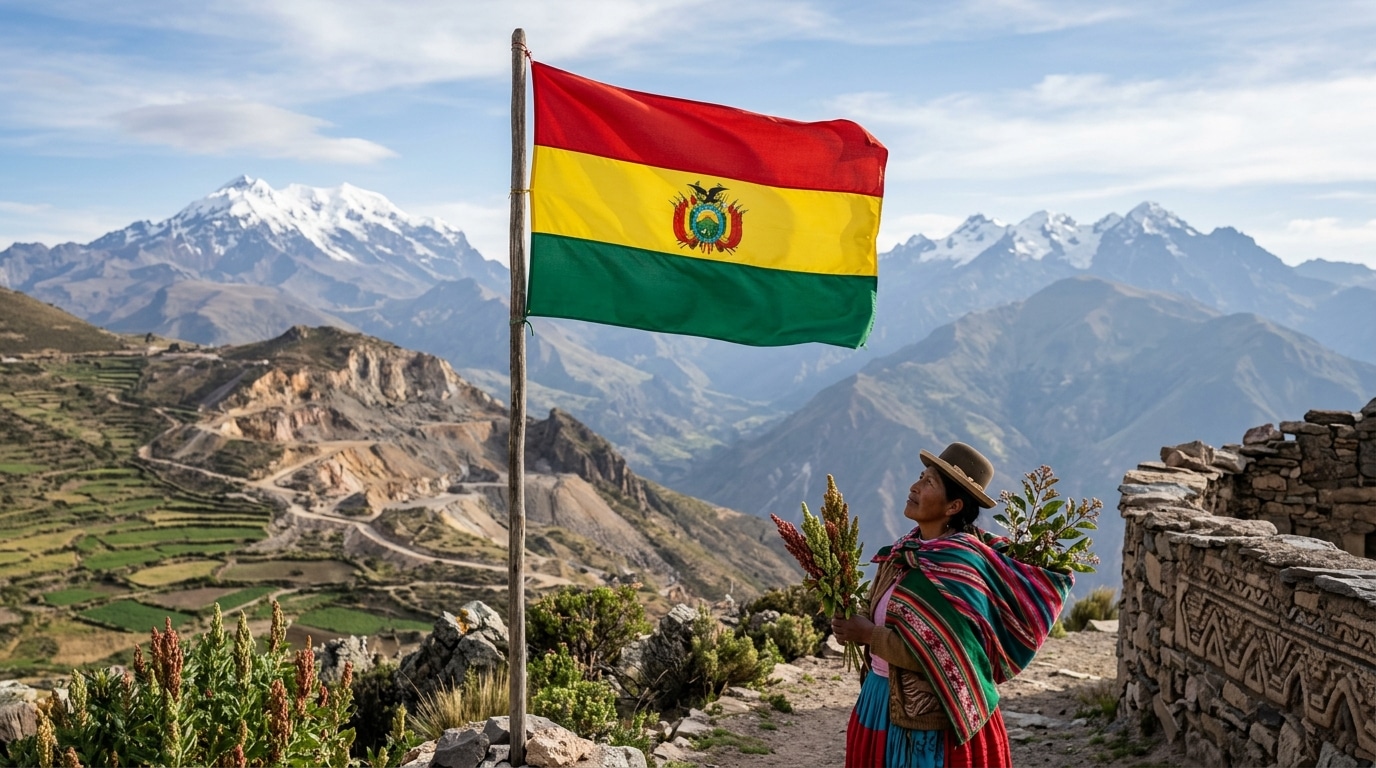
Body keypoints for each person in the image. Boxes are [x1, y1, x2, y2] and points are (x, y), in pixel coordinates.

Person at [831, 442, 1073, 768]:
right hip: (879, 700)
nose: (914, 487)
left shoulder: (961, 568)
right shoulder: (903, 552)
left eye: (929, 483)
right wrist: (852, 622)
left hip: (930, 720)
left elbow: (943, 654)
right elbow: (878, 608)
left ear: (953, 506)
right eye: (920, 477)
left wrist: (868, 636)